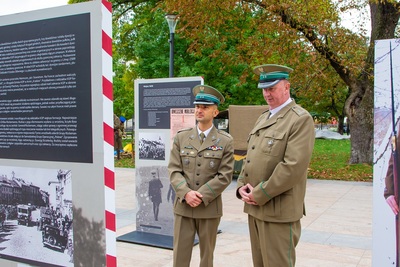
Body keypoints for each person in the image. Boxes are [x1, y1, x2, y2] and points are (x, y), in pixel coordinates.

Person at [236, 64, 315, 266]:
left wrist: (260, 193)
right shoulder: (264, 117)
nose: (266, 94)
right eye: (264, 89)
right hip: (255, 208)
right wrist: (241, 186)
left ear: (286, 87)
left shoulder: (300, 119)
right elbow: (250, 156)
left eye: (271, 88)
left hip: (278, 210)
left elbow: (293, 167)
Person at [168, 84, 234, 267]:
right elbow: (174, 170)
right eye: (197, 106)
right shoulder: (182, 138)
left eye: (205, 107)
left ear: (215, 112)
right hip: (184, 206)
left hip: (209, 207)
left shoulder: (225, 141)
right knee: (180, 256)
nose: (199, 110)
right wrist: (186, 193)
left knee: (207, 257)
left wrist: (201, 195)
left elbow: (225, 175)